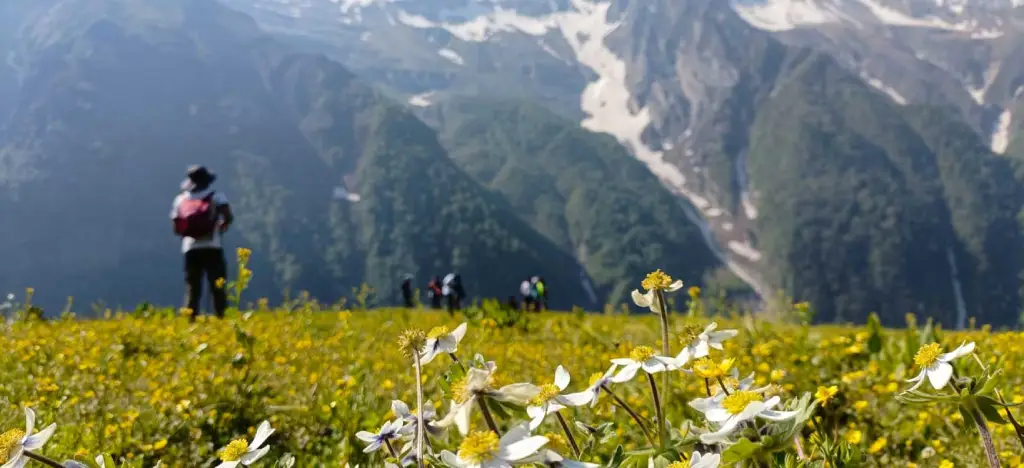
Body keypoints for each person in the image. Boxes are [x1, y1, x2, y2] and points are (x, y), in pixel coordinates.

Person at [171, 165, 233, 320]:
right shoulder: (217, 196)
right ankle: (222, 319)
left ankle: (191, 321)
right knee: (218, 285)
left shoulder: (180, 199)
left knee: (193, 287)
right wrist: (221, 225)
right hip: (212, 246)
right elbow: (228, 216)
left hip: (190, 249)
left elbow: (176, 228)